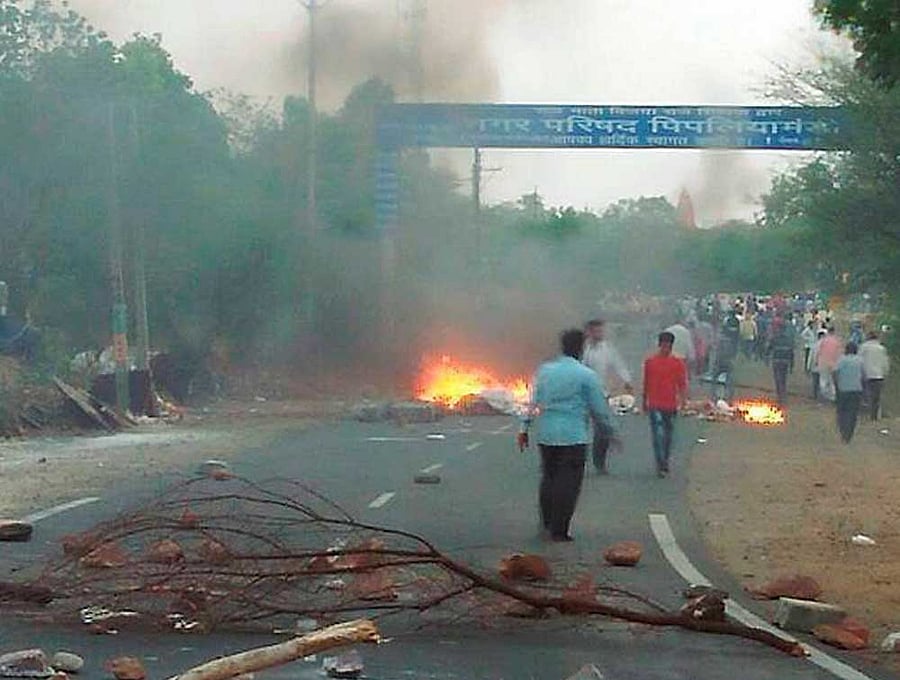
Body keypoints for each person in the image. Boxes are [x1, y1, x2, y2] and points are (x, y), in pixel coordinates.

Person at [517, 328, 618, 542]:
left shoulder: (545, 371)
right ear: (581, 348)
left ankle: (546, 522)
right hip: (574, 436)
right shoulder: (586, 375)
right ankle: (560, 529)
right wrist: (611, 432)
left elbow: (532, 402)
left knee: (549, 477)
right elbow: (599, 409)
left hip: (547, 434)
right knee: (569, 483)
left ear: (562, 346)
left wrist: (523, 429)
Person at [582, 318, 632, 474]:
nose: (600, 333)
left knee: (602, 430)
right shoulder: (583, 349)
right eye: (596, 330)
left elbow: (618, 365)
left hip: (600, 394)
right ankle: (578, 463)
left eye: (601, 330)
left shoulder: (607, 349)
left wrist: (627, 381)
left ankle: (600, 463)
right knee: (579, 431)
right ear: (589, 332)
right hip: (581, 396)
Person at [642, 331, 688, 478]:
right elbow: (646, 383)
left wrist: (683, 401)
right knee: (657, 434)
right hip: (654, 403)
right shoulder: (650, 362)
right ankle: (660, 463)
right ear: (659, 345)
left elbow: (682, 384)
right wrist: (644, 400)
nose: (666, 348)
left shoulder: (677, 363)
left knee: (668, 435)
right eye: (664, 345)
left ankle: (665, 460)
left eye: (668, 345)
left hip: (670, 404)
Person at [833, 342, 864, 443]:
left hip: (843, 389)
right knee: (853, 413)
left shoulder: (842, 359)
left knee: (842, 412)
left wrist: (836, 384)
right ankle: (849, 433)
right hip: (856, 389)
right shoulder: (860, 360)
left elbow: (835, 372)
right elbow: (864, 375)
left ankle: (843, 431)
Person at [859, 331, 890, 420]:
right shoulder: (882, 348)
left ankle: (868, 413)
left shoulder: (863, 347)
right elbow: (885, 363)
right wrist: (885, 373)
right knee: (877, 396)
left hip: (867, 374)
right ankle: (875, 415)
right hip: (879, 375)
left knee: (867, 395)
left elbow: (859, 360)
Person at [769, 318, 795, 405]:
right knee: (783, 379)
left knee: (778, 379)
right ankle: (782, 395)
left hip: (777, 361)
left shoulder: (774, 338)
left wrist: (767, 357)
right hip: (785, 362)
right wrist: (792, 365)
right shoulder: (789, 340)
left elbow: (769, 349)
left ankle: (779, 395)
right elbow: (791, 354)